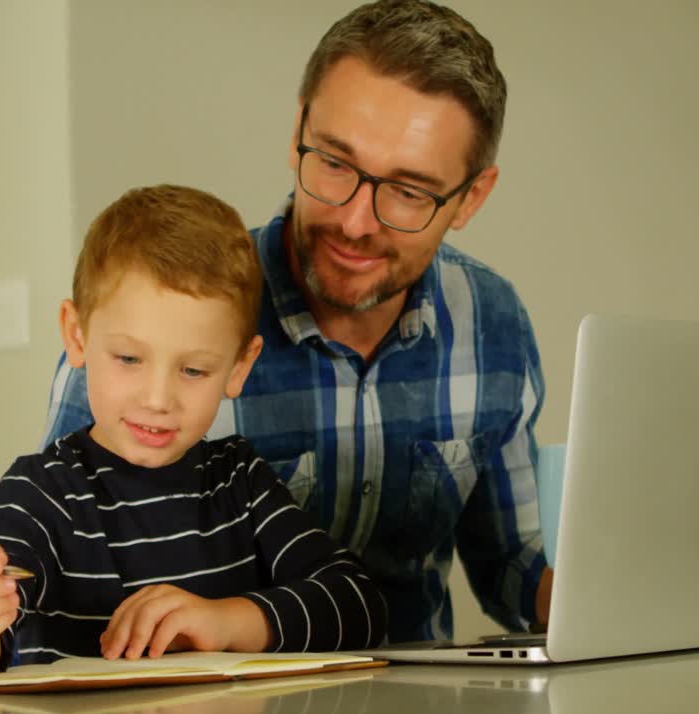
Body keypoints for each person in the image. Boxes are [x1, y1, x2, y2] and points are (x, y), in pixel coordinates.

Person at [44, 0, 552, 643]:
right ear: (297, 134)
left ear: (471, 197)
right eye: (335, 163)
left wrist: (591, 597)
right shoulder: (166, 322)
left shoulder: (494, 324)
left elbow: (508, 560)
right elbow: (57, 569)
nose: (355, 221)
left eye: (408, 191)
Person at [0, 185, 388, 675]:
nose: (158, 400)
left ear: (237, 368)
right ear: (77, 336)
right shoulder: (38, 495)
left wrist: (226, 623)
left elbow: (359, 604)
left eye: (193, 370)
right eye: (128, 358)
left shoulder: (240, 484)